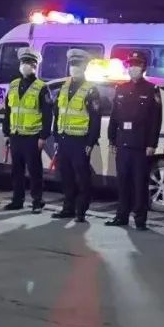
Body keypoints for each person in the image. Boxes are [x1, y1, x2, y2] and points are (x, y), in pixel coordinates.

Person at [106, 51, 161, 230]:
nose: (133, 68)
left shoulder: (151, 89)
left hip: (141, 145)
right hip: (123, 143)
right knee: (123, 182)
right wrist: (112, 139)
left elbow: (156, 120)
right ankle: (121, 216)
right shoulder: (121, 88)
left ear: (144, 67)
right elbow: (114, 116)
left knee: (139, 184)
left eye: (137, 65)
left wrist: (152, 144)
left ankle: (140, 219)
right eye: (130, 65)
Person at [51, 49, 102, 223]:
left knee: (82, 178)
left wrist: (90, 142)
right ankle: (68, 208)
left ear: (84, 68)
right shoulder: (64, 87)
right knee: (66, 176)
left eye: (78, 65)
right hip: (64, 139)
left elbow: (95, 118)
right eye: (72, 65)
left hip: (80, 141)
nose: (74, 68)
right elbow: (57, 113)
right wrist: (56, 137)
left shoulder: (91, 90)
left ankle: (81, 211)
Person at [2, 48, 52, 212]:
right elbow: (8, 111)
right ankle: (17, 200)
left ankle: (37, 201)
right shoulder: (13, 85)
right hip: (16, 135)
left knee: (34, 171)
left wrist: (43, 136)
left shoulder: (41, 87)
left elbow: (47, 114)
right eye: (23, 62)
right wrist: (6, 132)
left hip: (32, 136)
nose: (25, 66)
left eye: (29, 63)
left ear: (35, 66)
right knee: (16, 171)